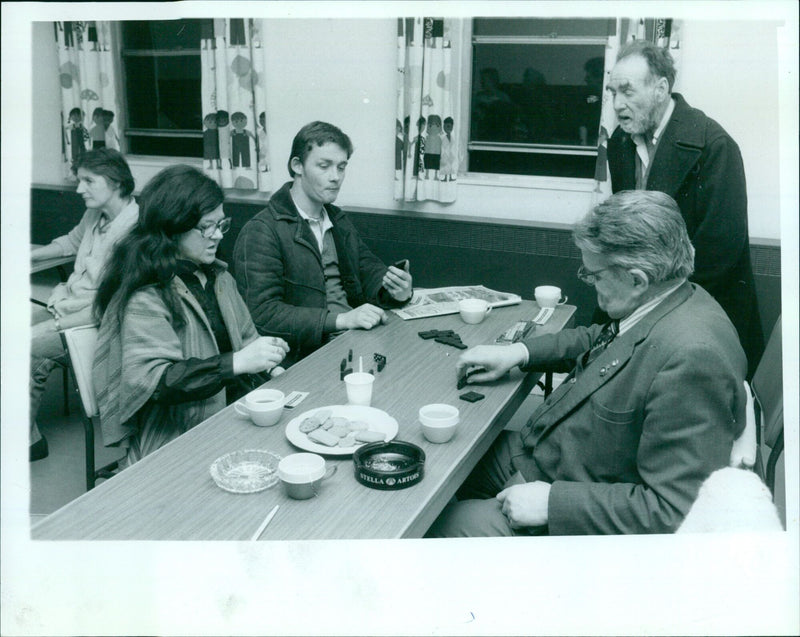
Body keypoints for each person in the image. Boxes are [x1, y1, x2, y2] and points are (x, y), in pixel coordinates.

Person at [427, 190, 747, 537]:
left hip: (571, 493)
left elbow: (677, 510)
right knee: (440, 463)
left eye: (594, 275)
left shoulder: (693, 359)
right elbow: (601, 338)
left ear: (637, 279)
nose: (592, 284)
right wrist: (519, 353)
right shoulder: (672, 296)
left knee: (437, 528)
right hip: (550, 454)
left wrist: (552, 503)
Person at [92, 165, 289, 468]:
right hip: (174, 437)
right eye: (205, 227)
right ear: (173, 227)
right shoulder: (147, 292)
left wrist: (269, 366)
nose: (217, 237)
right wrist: (238, 363)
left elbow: (248, 340)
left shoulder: (219, 278)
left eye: (221, 224)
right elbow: (157, 382)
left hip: (230, 414)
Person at [605, 40, 763, 378]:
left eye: (628, 92)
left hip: (703, 318)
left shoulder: (714, 145)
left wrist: (646, 306)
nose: (617, 105)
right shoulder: (620, 142)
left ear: (661, 89)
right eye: (612, 92)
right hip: (642, 308)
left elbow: (719, 255)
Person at [233, 121, 413, 365]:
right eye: (324, 166)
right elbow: (263, 315)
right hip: (304, 356)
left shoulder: (337, 219)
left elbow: (368, 268)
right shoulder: (261, 231)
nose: (335, 177)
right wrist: (342, 320)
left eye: (341, 167)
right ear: (297, 166)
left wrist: (397, 290)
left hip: (352, 341)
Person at [29, 149, 139, 461]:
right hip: (68, 305)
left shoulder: (135, 229)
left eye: (89, 181)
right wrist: (28, 256)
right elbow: (71, 242)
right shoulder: (95, 214)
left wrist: (57, 323)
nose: (80, 189)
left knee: (27, 349)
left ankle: (27, 440)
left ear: (116, 182)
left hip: (94, 322)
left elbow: (114, 303)